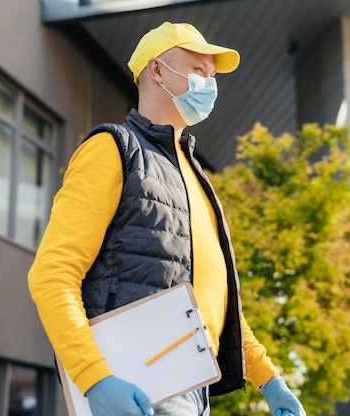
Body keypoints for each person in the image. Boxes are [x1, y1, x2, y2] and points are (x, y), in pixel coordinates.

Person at [28, 21, 306, 416]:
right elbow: (52, 274)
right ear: (156, 70)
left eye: (212, 76)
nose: (209, 84)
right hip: (139, 383)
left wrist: (270, 379)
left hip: (193, 385)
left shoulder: (195, 175)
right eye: (199, 71)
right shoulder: (112, 150)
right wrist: (96, 379)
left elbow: (213, 303)